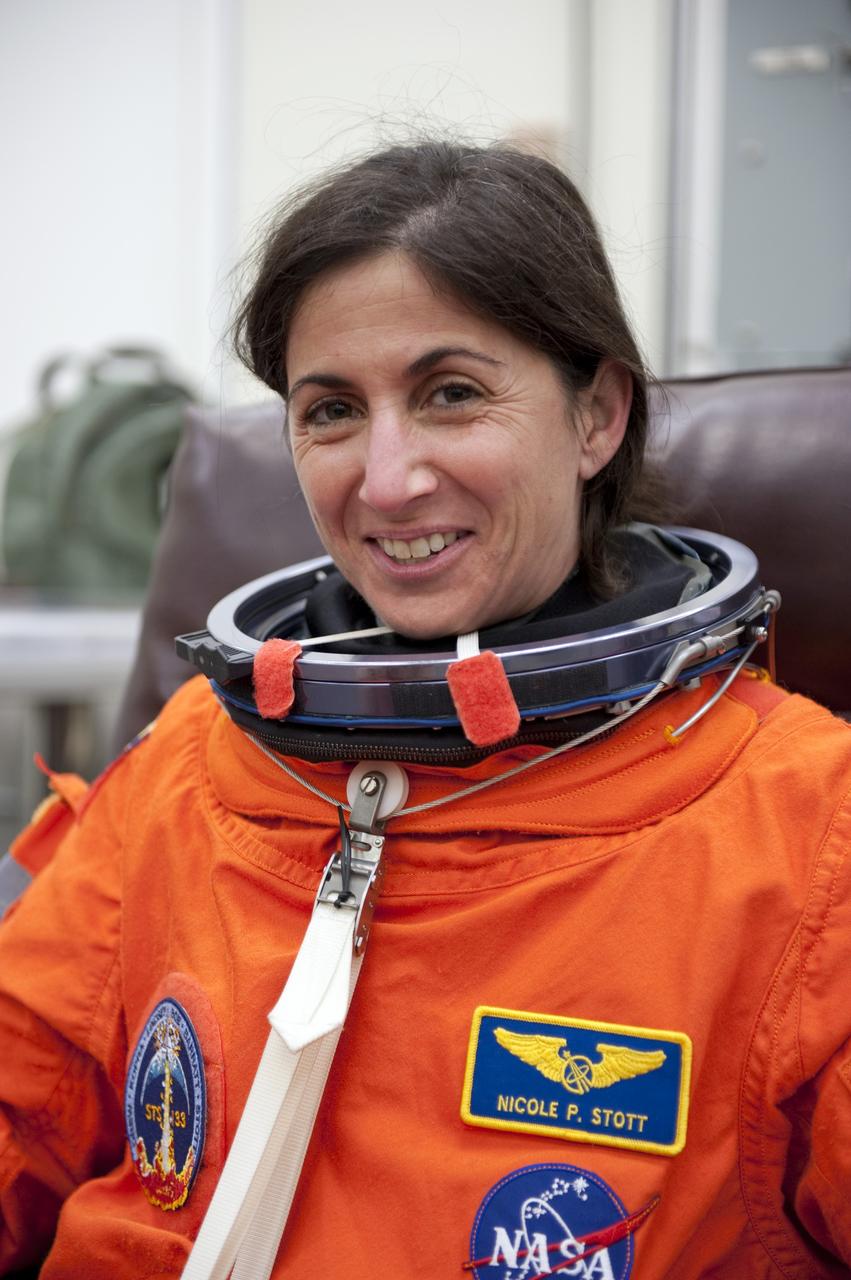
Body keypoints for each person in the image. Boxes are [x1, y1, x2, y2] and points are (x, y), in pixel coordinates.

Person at [1, 140, 849, 1280]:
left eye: (451, 393)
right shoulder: (197, 760)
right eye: (332, 410)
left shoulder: (803, 833)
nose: (386, 478)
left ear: (594, 414)